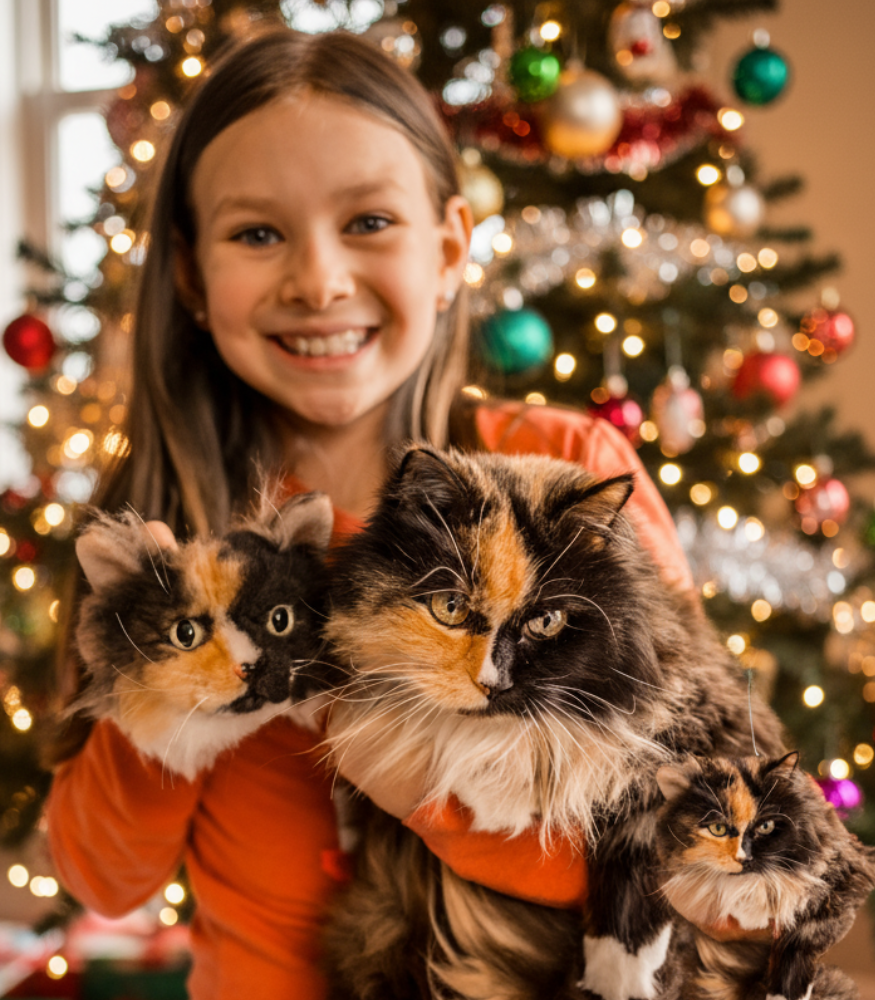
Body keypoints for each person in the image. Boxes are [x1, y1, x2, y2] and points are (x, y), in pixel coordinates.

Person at [45, 26, 695, 1000]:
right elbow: (103, 873)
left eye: (367, 223)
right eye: (257, 233)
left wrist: (418, 775)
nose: (318, 282)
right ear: (190, 273)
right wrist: (175, 675)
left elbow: (688, 834)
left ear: (447, 249)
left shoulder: (568, 477)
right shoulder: (160, 527)